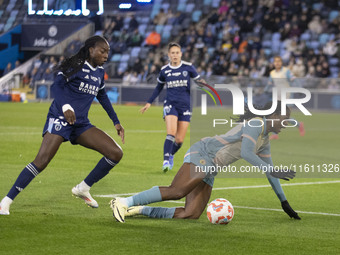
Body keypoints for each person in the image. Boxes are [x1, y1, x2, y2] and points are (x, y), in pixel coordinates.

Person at [111, 102, 300, 223]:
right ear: (274, 116)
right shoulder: (256, 124)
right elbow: (247, 153)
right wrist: (273, 170)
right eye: (285, 120)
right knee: (177, 191)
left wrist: (284, 202)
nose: (286, 124)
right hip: (203, 153)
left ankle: (138, 210)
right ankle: (122, 201)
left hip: (211, 167)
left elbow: (269, 171)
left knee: (190, 214)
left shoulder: (264, 140)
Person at [0, 36, 125, 215]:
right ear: (91, 50)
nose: (106, 55)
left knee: (115, 153)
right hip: (60, 118)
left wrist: (116, 121)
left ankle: (83, 188)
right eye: (102, 51)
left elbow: (103, 96)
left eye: (108, 52)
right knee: (42, 161)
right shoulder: (75, 65)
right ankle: (6, 201)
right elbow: (56, 87)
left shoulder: (99, 73)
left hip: (80, 124)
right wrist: (66, 106)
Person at [140, 42, 205, 172]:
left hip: (185, 106)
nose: (175, 55)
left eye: (177, 53)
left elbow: (199, 81)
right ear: (169, 55)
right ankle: (165, 161)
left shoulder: (188, 67)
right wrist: (149, 102)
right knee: (171, 132)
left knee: (180, 140)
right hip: (170, 104)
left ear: (181, 54)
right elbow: (159, 87)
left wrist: (204, 85)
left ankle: (171, 155)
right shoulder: (165, 70)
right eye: (172, 53)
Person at [267, 56, 305, 140]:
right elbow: (269, 83)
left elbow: (295, 80)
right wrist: (265, 89)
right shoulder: (272, 73)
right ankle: (275, 134)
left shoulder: (286, 71)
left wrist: (299, 88)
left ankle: (299, 125)